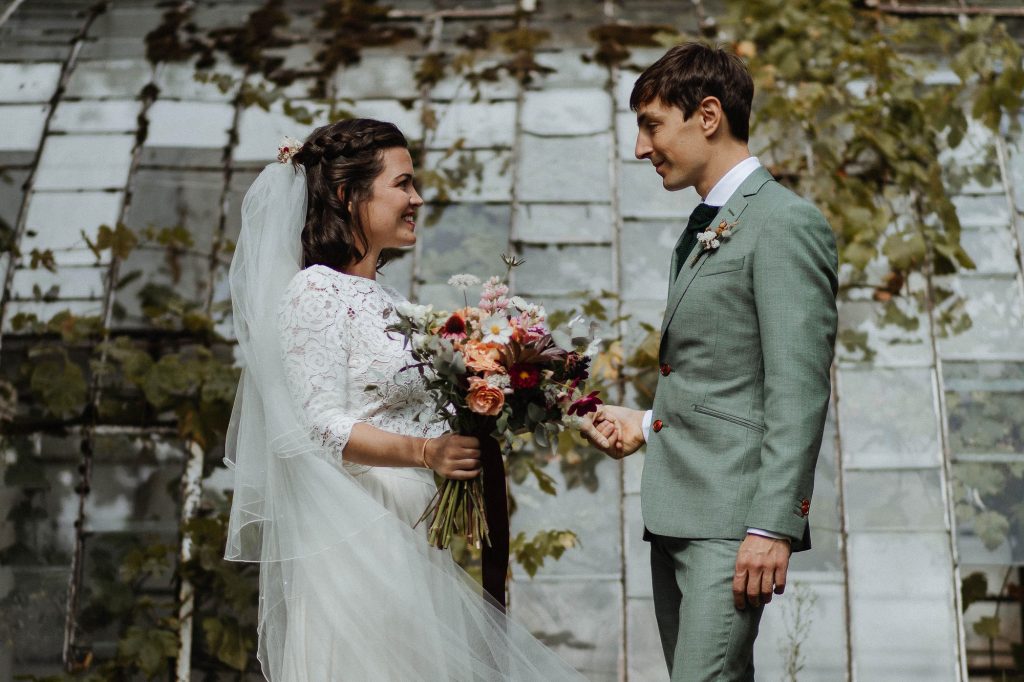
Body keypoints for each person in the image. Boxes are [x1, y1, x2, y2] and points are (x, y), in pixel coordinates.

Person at [223, 118, 583, 681]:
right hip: (360, 532)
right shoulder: (314, 290)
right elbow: (319, 427)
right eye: (403, 184)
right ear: (347, 196)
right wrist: (426, 454)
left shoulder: (386, 298)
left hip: (411, 527)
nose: (417, 198)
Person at [581, 43, 838, 680]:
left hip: (732, 526)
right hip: (677, 516)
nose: (641, 148)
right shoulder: (709, 224)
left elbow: (796, 388)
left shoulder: (783, 223)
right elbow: (725, 376)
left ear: (708, 115)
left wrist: (772, 528)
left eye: (651, 124)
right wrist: (645, 423)